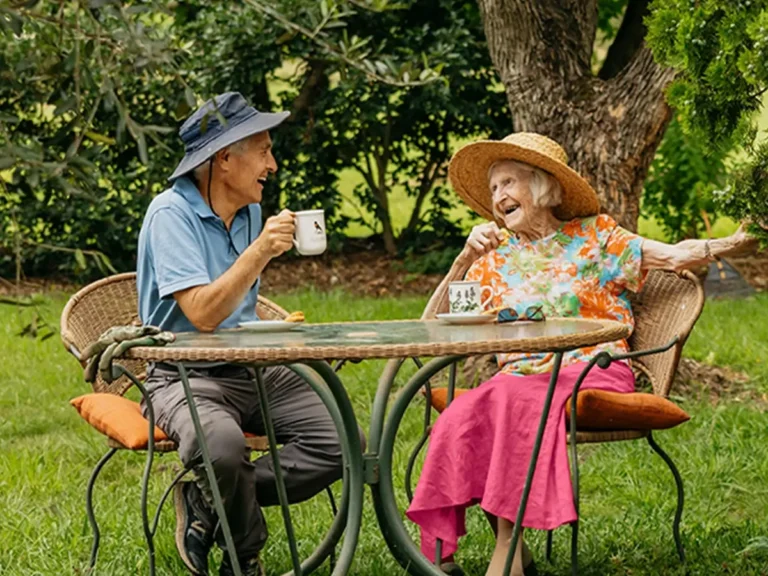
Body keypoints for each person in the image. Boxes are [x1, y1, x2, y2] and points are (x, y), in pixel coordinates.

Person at [406, 132, 758, 576]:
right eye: (494, 189)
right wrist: (460, 262)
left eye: (509, 183)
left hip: (590, 369)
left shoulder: (596, 238)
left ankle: (508, 554)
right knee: (465, 412)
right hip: (516, 378)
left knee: (512, 402)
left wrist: (733, 241)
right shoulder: (493, 260)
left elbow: (672, 257)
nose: (498, 197)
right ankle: (454, 554)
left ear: (541, 187)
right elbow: (431, 328)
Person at [136, 92, 350, 576]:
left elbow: (236, 314)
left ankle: (206, 502)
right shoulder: (170, 214)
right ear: (224, 159)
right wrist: (259, 253)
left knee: (343, 443)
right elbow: (203, 314)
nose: (272, 165)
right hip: (181, 373)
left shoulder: (250, 212)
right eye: (263, 151)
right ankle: (243, 557)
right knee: (223, 448)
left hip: (254, 367)